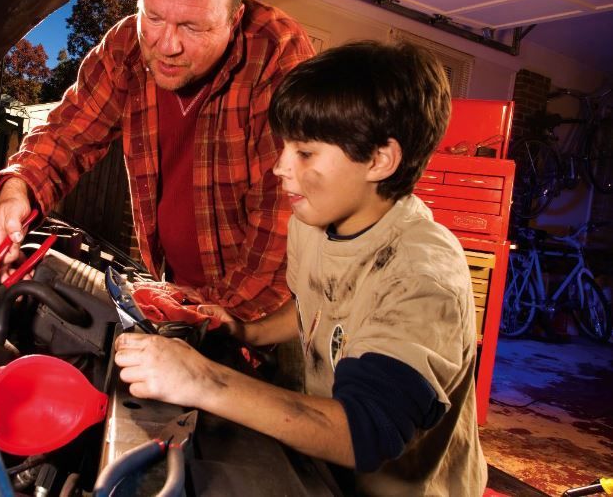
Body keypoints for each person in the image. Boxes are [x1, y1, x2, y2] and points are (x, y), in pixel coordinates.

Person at [114, 41, 488, 495]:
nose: (279, 167)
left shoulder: (422, 276)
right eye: (284, 147)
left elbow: (367, 430)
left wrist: (202, 380)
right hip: (327, 473)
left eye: (305, 153)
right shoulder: (315, 222)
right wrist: (244, 332)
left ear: (379, 159)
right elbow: (315, 304)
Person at [0, 0, 315, 320]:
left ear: (234, 17)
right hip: (174, 285)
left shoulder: (278, 56)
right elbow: (67, 132)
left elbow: (282, 230)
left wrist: (204, 325)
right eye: (154, 17)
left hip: (268, 318)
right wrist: (17, 189)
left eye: (192, 27)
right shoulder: (126, 47)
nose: (167, 45)